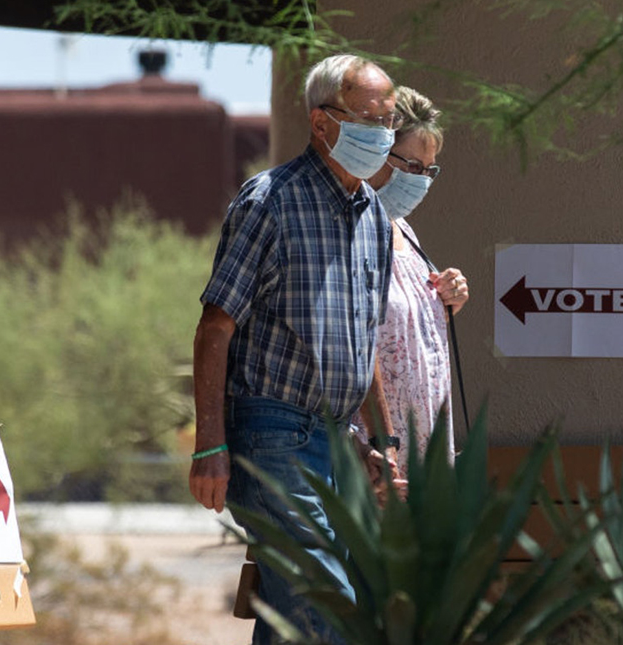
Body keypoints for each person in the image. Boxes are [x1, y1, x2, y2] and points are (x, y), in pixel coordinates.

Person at [187, 54, 400, 645]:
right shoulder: (270, 201)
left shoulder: (375, 220)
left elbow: (369, 340)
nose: (383, 132)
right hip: (273, 430)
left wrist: (382, 443)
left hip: (339, 438)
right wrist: (211, 444)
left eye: (389, 118)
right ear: (321, 122)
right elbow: (215, 327)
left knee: (295, 614)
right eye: (368, 117)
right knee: (322, 599)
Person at [365, 87, 469, 473]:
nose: (421, 180)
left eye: (429, 170)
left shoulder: (404, 230)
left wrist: (448, 297)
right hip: (375, 457)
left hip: (426, 454)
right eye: (411, 167)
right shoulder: (346, 230)